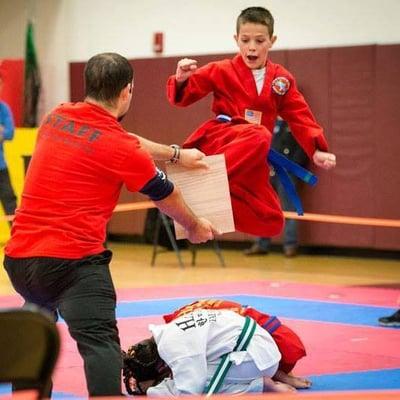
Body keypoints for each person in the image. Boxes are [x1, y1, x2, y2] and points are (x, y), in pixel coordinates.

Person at [3, 52, 218, 397]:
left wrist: (176, 154)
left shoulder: (56, 117)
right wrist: (195, 227)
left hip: (20, 262)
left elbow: (127, 141)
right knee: (99, 342)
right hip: (70, 262)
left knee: (33, 343)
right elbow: (166, 194)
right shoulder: (120, 147)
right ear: (126, 92)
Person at [167, 6, 336, 239]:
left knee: (272, 221)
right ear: (236, 40)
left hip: (253, 158)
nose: (252, 47)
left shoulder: (281, 79)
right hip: (224, 140)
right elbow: (183, 97)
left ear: (272, 40)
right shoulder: (221, 69)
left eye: (259, 40)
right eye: (245, 40)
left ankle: (205, 208)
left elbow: (300, 115)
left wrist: (316, 149)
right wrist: (181, 80)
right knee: (260, 134)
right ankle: (203, 181)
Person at [123, 308, 298, 396]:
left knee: (204, 388)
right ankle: (258, 381)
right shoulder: (166, 332)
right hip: (254, 348)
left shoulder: (174, 348)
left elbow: (190, 392)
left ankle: (258, 387)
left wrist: (153, 392)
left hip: (255, 357)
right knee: (195, 374)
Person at [244, 118, 308, 257]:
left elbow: (303, 148)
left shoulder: (295, 123)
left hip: (286, 173)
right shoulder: (270, 122)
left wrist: (291, 167)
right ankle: (261, 243)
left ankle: (290, 245)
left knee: (289, 209)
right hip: (268, 171)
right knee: (264, 208)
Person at [0, 72, 17, 225]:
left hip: (1, 167)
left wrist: (3, 132)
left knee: (10, 202)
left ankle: (19, 243)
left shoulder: (3, 109)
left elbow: (10, 133)